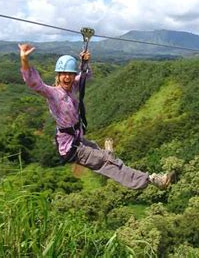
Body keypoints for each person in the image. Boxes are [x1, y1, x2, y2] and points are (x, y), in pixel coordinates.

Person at [19, 43, 174, 190]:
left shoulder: (71, 88)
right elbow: (35, 84)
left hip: (77, 140)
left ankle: (108, 155)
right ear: (58, 76)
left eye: (70, 74)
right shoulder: (53, 94)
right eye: (64, 74)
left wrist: (84, 62)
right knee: (108, 163)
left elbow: (85, 76)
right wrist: (24, 59)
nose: (67, 77)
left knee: (98, 150)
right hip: (71, 147)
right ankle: (151, 180)